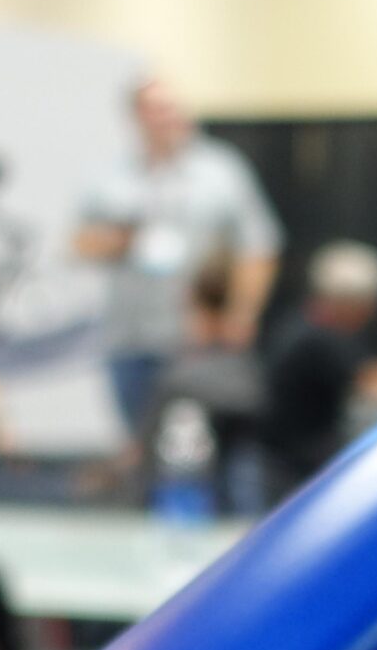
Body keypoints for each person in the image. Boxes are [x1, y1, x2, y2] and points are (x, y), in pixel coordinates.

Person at [76, 76, 283, 436]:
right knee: (139, 442)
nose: (166, 118)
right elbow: (80, 243)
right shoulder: (112, 175)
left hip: (194, 337)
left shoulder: (221, 171)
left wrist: (242, 314)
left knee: (193, 444)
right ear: (136, 116)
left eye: (171, 108)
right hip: (128, 335)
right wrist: (122, 241)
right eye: (155, 110)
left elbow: (259, 247)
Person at [258, 240, 377, 493]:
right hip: (295, 471)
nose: (371, 314)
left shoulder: (301, 325)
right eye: (368, 305)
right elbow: (374, 381)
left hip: (289, 463)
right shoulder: (321, 337)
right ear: (350, 303)